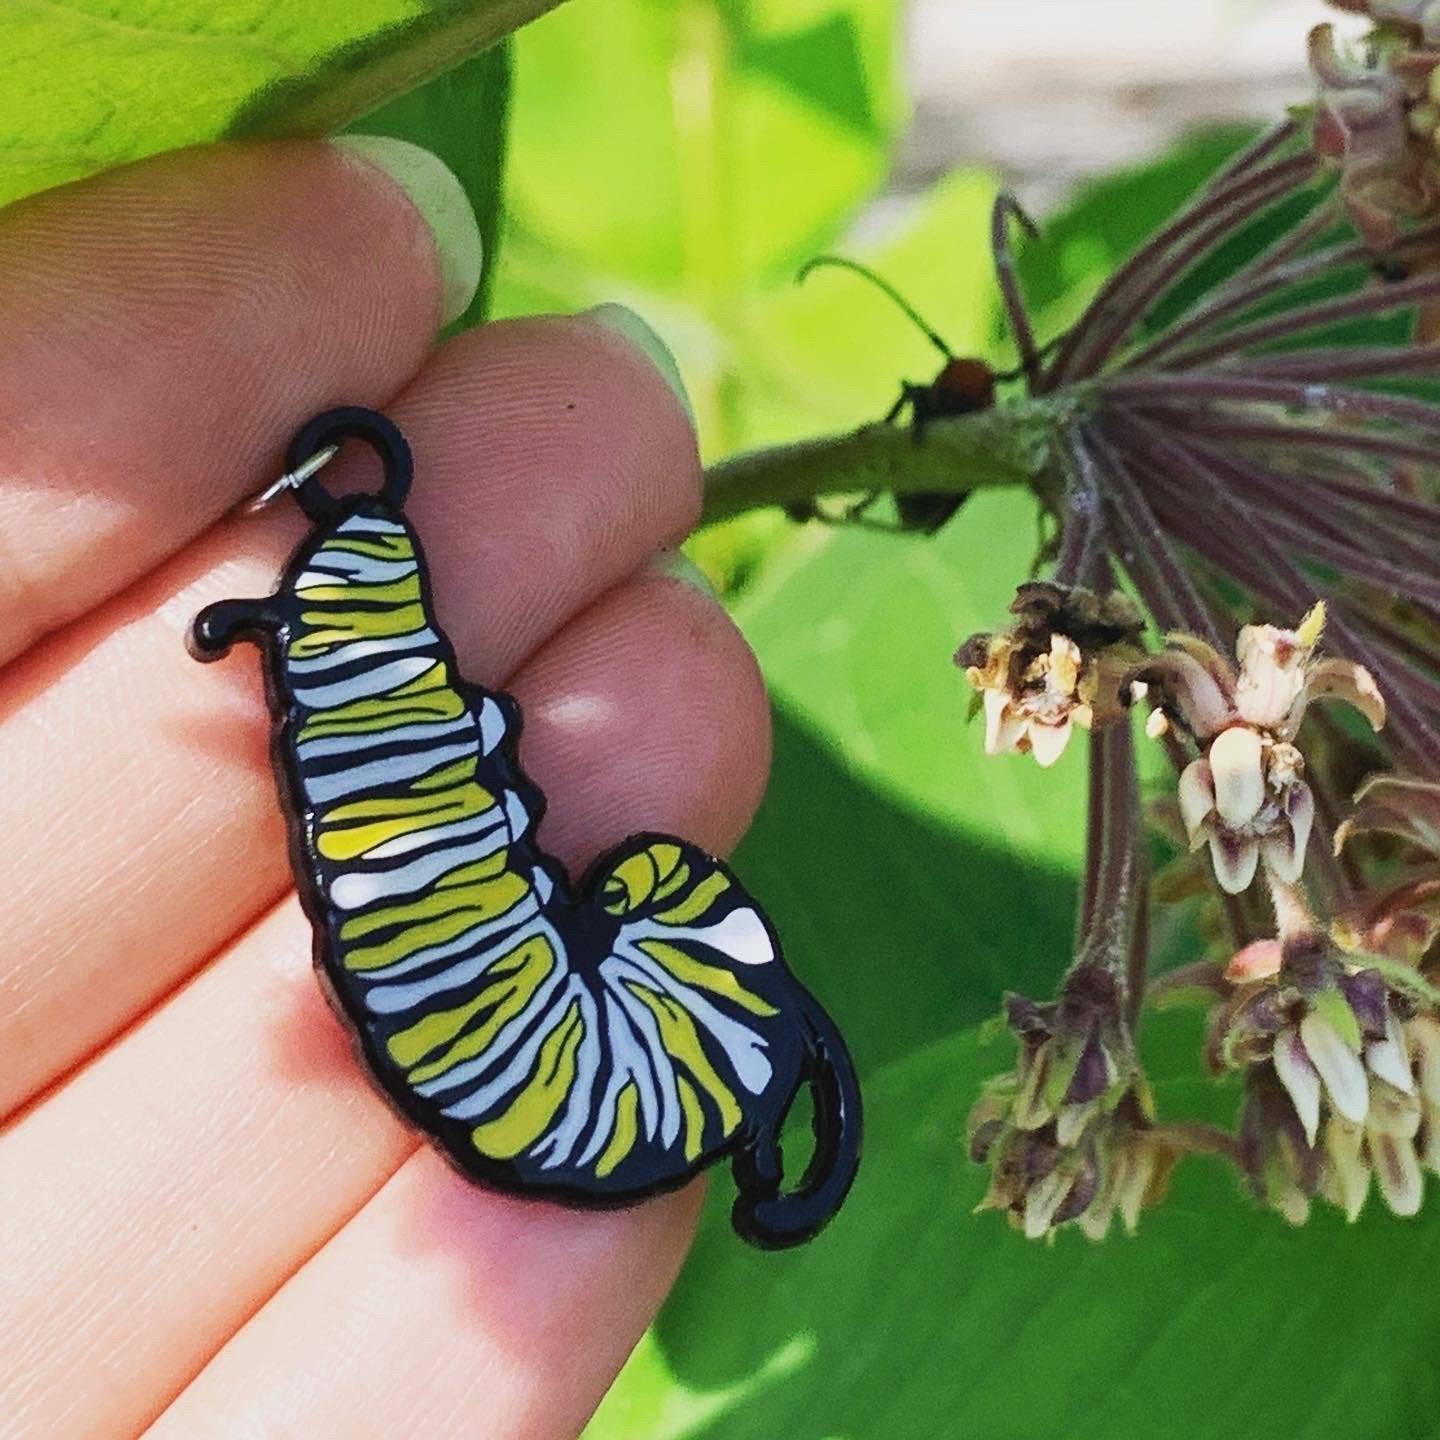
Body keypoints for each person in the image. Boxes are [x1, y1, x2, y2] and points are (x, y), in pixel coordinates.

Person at [0, 137, 771, 1439]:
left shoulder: (573, 1037)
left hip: (411, 797)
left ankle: (356, 631)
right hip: (404, 805)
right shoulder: (568, 1055)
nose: (630, 880)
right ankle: (354, 632)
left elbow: (471, 830)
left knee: (414, 781)